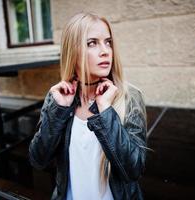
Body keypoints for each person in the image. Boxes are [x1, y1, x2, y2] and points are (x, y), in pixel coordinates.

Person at [29, 12, 147, 200]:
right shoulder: (58, 98)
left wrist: (106, 111)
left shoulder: (129, 98)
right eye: (92, 43)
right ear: (72, 52)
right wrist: (59, 112)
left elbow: (134, 169)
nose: (105, 51)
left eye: (108, 42)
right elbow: (38, 160)